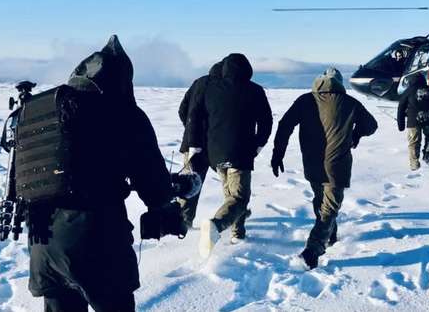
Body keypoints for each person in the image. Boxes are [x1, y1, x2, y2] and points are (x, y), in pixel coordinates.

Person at [26, 36, 177, 312]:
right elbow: (154, 183)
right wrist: (165, 206)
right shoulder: (124, 113)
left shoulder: (46, 110)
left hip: (44, 244)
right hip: (98, 244)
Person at [271, 68, 378, 269]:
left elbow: (285, 124)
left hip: (312, 164)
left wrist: (278, 153)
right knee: (328, 209)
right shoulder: (350, 103)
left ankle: (331, 236)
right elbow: (371, 125)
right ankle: (312, 250)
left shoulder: (305, 100)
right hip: (337, 165)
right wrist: (356, 134)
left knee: (323, 201)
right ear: (339, 83)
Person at [199, 53, 273, 256]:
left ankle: (238, 233)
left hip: (215, 152)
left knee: (230, 195)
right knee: (239, 198)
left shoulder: (212, 89)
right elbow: (266, 122)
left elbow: (201, 118)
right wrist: (258, 145)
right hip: (240, 151)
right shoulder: (255, 90)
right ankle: (216, 225)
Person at [176, 60, 222, 229]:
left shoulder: (198, 82)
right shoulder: (219, 88)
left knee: (189, 185)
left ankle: (183, 222)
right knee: (229, 182)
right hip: (212, 145)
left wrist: (190, 131)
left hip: (191, 145)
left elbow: (182, 109)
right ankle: (231, 218)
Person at [397, 73, 429, 170]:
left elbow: (401, 107)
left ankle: (414, 163)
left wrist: (401, 125)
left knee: (414, 142)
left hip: (413, 121)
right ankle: (427, 155)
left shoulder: (408, 91)